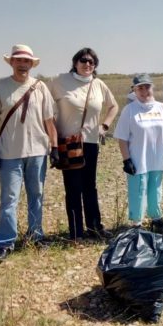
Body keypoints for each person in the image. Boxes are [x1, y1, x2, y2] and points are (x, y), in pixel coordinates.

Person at [0, 44, 58, 264]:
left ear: (31, 64)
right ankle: (5, 242)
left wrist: (54, 147)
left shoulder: (40, 87)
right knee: (9, 199)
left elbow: (49, 120)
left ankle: (35, 236)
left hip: (37, 152)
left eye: (27, 61)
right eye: (19, 60)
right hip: (8, 154)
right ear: (12, 62)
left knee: (36, 195)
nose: (23, 64)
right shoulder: (0, 87)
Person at [48, 48, 119, 240]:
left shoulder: (98, 84)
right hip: (68, 142)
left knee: (90, 186)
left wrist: (104, 125)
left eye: (92, 62)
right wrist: (52, 135)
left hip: (90, 142)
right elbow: (45, 106)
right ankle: (76, 233)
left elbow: (113, 106)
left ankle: (95, 228)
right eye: (83, 60)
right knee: (72, 187)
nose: (88, 64)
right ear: (75, 62)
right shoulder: (59, 81)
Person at [114, 73, 163, 229]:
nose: (144, 91)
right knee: (138, 191)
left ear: (152, 87)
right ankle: (137, 224)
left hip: (157, 159)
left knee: (155, 191)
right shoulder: (129, 110)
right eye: (140, 88)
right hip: (137, 160)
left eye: (147, 87)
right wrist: (126, 160)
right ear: (134, 91)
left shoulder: (161, 108)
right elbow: (122, 138)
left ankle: (156, 219)